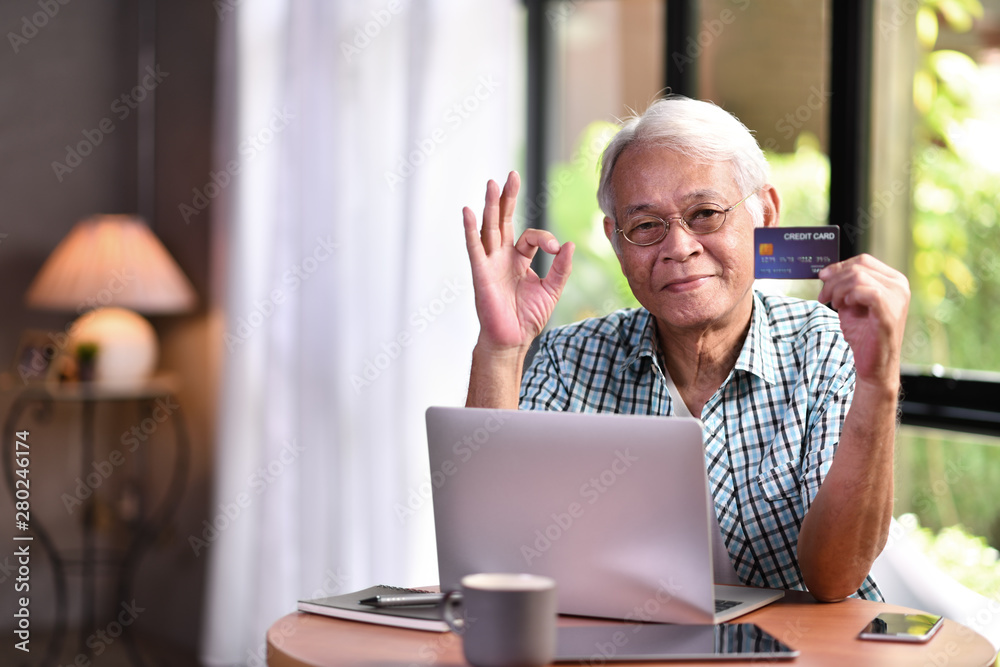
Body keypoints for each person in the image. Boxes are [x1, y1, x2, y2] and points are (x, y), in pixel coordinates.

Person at [461, 96, 910, 602]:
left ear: (767, 213)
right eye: (647, 225)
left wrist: (879, 382)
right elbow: (492, 553)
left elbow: (832, 579)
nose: (679, 247)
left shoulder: (823, 344)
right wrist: (501, 348)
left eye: (705, 214)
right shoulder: (571, 358)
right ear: (616, 240)